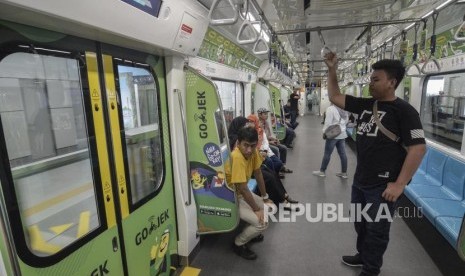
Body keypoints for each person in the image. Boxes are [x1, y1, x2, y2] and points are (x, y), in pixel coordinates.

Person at [323, 52, 426, 276]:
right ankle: (363, 255)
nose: (371, 83)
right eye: (370, 79)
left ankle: (371, 269)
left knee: (376, 229)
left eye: (376, 79)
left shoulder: (405, 112)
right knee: (360, 223)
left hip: (383, 186)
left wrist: (400, 184)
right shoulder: (367, 105)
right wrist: (332, 69)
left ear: (392, 82)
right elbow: (335, 96)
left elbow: (418, 148)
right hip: (361, 181)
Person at [225, 126, 274, 260]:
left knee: (269, 207)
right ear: (238, 143)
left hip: (242, 193)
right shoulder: (237, 157)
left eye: (252, 146)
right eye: (245, 145)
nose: (249, 150)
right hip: (231, 197)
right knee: (262, 223)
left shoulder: (253, 152)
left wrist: (265, 197)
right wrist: (256, 209)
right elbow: (243, 188)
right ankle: (238, 243)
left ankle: (250, 232)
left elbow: (258, 173)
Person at [312, 104, 349, 178]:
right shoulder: (344, 109)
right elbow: (346, 121)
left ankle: (322, 171)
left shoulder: (330, 109)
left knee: (327, 153)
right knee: (343, 154)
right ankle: (344, 173)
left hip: (333, 134)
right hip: (342, 133)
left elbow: (327, 123)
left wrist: (324, 132)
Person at [257, 107, 293, 173]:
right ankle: (277, 169)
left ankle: (282, 167)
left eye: (267, 114)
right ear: (259, 115)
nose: (266, 115)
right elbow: (261, 140)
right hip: (264, 145)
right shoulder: (257, 125)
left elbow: (268, 135)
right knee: (276, 150)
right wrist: (271, 142)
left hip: (268, 142)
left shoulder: (266, 123)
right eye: (265, 114)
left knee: (284, 148)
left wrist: (275, 139)